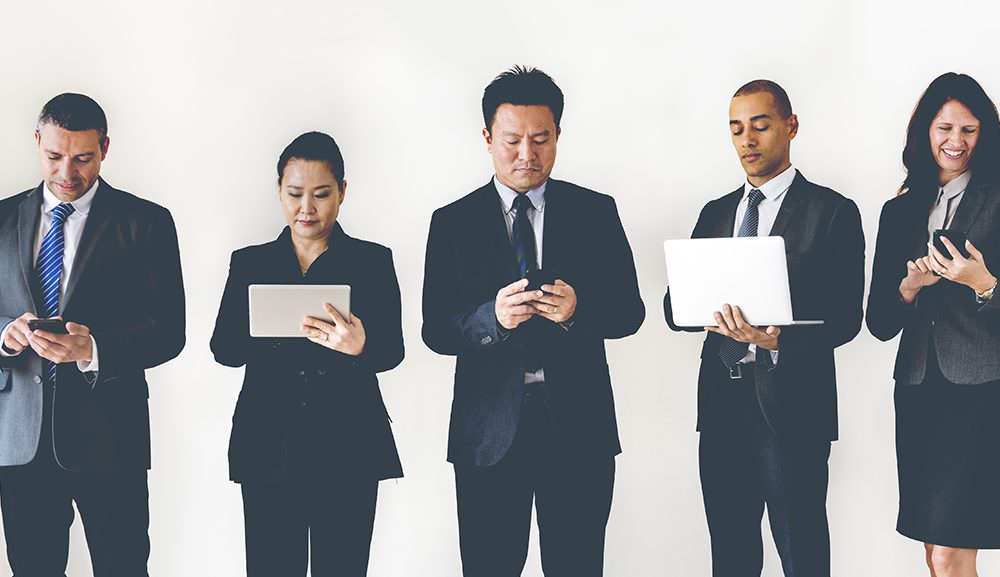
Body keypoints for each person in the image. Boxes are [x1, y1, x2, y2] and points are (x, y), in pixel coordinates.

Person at [421, 65, 644, 577]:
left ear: (558, 135)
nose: (527, 154)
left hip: (579, 429)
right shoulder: (451, 222)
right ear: (486, 137)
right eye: (512, 140)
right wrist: (491, 319)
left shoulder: (596, 210)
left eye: (541, 139)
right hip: (487, 433)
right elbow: (435, 328)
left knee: (578, 565)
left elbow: (630, 312)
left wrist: (577, 310)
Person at [663, 80, 865, 577]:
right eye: (736, 130)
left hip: (794, 408)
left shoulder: (833, 211)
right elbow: (674, 310)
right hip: (721, 408)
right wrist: (698, 308)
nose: (747, 140)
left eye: (760, 125)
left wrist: (778, 338)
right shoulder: (714, 213)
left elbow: (845, 319)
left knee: (803, 554)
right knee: (730, 555)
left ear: (790, 127)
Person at [0, 93, 186, 576]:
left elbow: (170, 330)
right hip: (21, 439)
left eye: (82, 158)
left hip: (111, 439)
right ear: (37, 141)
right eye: (54, 156)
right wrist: (5, 335)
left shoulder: (146, 222)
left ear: (105, 148)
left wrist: (95, 348)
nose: (67, 173)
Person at [211, 131, 404, 576]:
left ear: (342, 192)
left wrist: (361, 345)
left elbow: (393, 351)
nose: (307, 209)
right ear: (278, 191)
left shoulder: (373, 260)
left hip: (350, 445)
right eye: (295, 194)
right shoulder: (250, 262)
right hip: (267, 445)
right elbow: (223, 349)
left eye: (321, 194)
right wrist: (265, 326)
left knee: (344, 567)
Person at [867, 72, 1000, 577]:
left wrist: (983, 281)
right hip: (920, 390)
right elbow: (878, 322)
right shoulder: (899, 211)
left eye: (969, 130)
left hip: (982, 391)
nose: (955, 141)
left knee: (950, 550)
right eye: (945, 127)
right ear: (926, 131)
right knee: (934, 550)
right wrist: (908, 290)